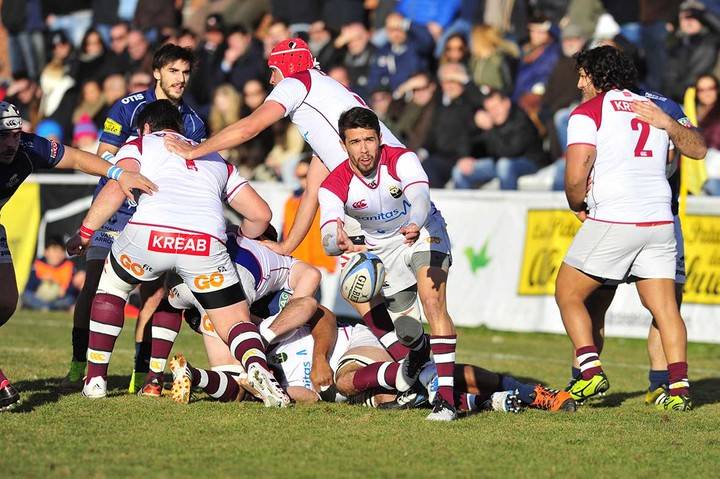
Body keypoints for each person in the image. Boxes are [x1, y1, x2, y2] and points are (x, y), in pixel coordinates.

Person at [66, 100, 289, 407]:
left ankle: (95, 381)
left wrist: (87, 231)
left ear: (146, 127)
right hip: (204, 242)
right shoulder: (213, 155)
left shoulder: (140, 143)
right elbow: (261, 215)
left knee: (113, 288)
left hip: (152, 233)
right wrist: (240, 236)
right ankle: (258, 369)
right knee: (234, 321)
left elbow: (119, 185)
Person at [556, 46, 702, 412]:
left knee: (569, 293)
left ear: (596, 76)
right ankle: (679, 388)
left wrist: (578, 204)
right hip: (658, 220)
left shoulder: (590, 112)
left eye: (582, 75)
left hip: (616, 217)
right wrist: (666, 124)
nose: (577, 83)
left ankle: (589, 373)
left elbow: (576, 174)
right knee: (665, 307)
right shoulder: (651, 108)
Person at [59, 44, 207, 394]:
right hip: (116, 208)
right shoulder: (128, 108)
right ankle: (82, 362)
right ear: (157, 72)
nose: (180, 79)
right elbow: (103, 154)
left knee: (154, 294)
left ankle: (143, 374)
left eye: (185, 73)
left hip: (156, 212)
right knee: (96, 286)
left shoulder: (194, 121)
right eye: (173, 71)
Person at [0, 100, 155, 411]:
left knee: (6, 302)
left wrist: (117, 174)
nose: (11, 143)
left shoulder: (29, 147)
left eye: (16, 135)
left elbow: (77, 158)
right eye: (3, 137)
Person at [317, 107, 458, 421]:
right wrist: (335, 239)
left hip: (423, 232)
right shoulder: (333, 184)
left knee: (432, 300)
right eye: (355, 142)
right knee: (406, 331)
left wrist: (415, 221)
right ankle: (419, 353)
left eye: (369, 139)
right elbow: (327, 234)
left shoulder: (401, 159)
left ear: (380, 139)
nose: (364, 149)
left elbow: (420, 195)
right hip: (383, 250)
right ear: (343, 145)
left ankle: (446, 400)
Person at [452, 88, 544, 190]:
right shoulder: (489, 121)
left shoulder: (520, 120)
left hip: (529, 162)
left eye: (496, 107)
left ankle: (507, 205)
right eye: (489, 109)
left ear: (506, 103)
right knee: (459, 171)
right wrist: (465, 156)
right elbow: (465, 139)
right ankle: (468, 206)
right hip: (497, 162)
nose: (493, 113)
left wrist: (490, 130)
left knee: (504, 165)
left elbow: (509, 152)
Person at [21, 237, 82, 312]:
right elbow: (29, 287)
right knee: (26, 296)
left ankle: (46, 307)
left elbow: (72, 290)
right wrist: (41, 280)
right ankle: (46, 307)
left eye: (60, 252)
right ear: (46, 252)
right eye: (54, 251)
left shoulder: (68, 266)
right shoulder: (39, 264)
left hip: (59, 299)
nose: (56, 255)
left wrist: (63, 289)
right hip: (39, 297)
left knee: (69, 300)